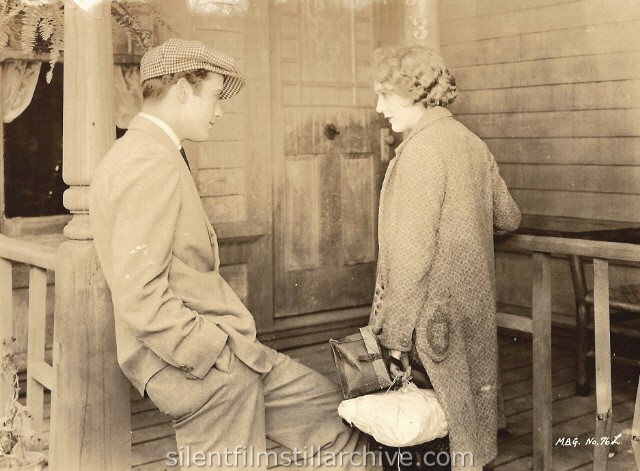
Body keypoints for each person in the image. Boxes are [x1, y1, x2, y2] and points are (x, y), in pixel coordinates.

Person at [89, 38, 369, 470]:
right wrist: (212, 354)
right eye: (215, 98)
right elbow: (139, 295)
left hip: (230, 352)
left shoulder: (149, 151)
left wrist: (227, 350)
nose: (219, 112)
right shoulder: (148, 159)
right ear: (183, 90)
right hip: (200, 366)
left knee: (332, 419)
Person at [369, 46, 521, 470]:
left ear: (417, 93)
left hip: (425, 322)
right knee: (463, 421)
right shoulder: (471, 145)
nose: (379, 108)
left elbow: (411, 256)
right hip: (468, 311)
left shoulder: (420, 153)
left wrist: (395, 337)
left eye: (386, 95)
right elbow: (509, 217)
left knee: (420, 436)